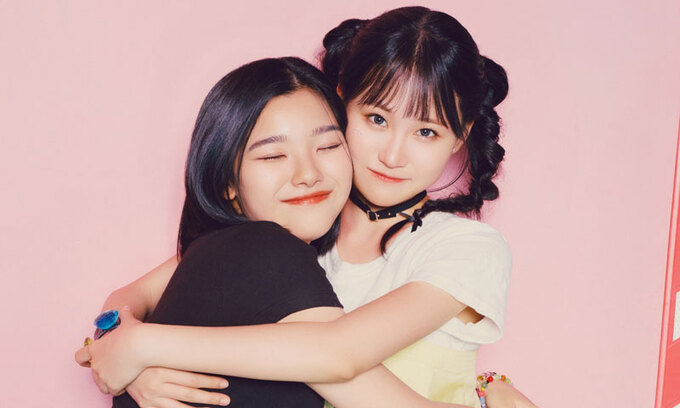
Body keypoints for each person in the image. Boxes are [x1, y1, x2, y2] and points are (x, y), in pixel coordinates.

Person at [77, 7, 536, 408]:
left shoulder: (465, 247)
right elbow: (128, 298)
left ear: (459, 137)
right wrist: (130, 364)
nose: (393, 155)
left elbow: (339, 353)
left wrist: (147, 346)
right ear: (341, 103)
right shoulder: (299, 223)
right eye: (377, 119)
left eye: (426, 132)